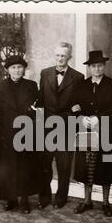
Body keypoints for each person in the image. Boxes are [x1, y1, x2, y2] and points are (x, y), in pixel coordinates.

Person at [73, 51, 112, 217]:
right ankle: (87, 200)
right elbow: (75, 105)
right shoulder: (82, 85)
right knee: (86, 166)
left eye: (100, 65)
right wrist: (80, 117)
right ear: (89, 68)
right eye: (93, 66)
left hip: (106, 130)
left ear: (104, 66)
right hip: (86, 130)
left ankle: (106, 202)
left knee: (105, 167)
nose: (97, 68)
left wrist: (98, 118)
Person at [0, 55, 41, 214]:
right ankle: (9, 198)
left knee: (25, 166)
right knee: (8, 166)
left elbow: (37, 108)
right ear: (7, 70)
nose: (17, 70)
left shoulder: (32, 85)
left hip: (26, 132)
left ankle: (24, 199)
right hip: (6, 133)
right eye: (13, 67)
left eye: (19, 67)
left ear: (24, 69)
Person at [37, 42, 85, 210]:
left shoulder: (78, 77)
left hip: (67, 125)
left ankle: (61, 197)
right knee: (45, 163)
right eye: (57, 55)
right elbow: (40, 100)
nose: (59, 59)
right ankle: (44, 195)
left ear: (69, 57)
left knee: (64, 165)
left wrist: (76, 110)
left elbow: (81, 102)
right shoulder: (45, 73)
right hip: (47, 126)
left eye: (63, 56)